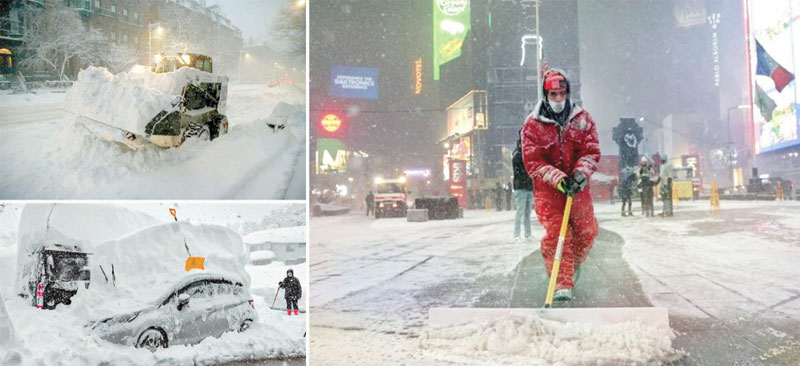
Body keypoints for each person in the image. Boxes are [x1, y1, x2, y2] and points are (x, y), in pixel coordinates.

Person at [521, 68, 600, 301]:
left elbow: (591, 150)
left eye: (561, 94)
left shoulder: (583, 120)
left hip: (578, 189)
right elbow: (533, 161)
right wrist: (558, 179)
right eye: (553, 94)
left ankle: (569, 266)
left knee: (586, 233)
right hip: (549, 192)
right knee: (558, 234)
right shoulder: (532, 125)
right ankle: (561, 283)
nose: (558, 99)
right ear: (545, 95)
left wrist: (580, 173)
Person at [512, 134, 534, 242]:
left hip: (528, 186)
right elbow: (521, 169)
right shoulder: (518, 155)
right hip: (521, 187)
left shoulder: (526, 154)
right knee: (520, 211)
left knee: (527, 213)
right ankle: (516, 234)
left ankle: (527, 233)